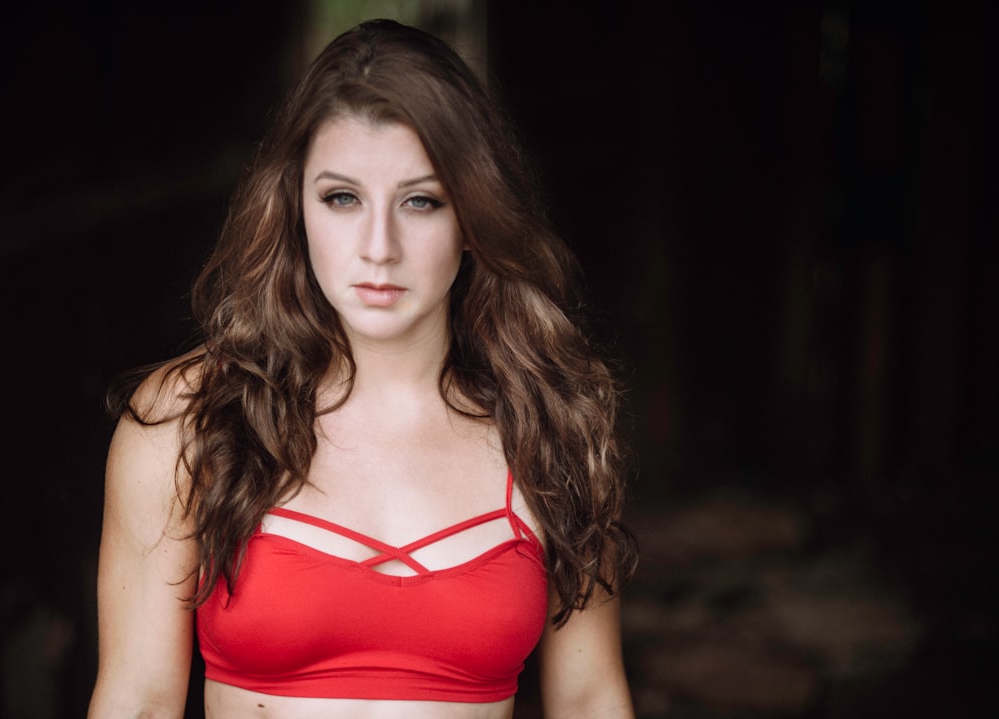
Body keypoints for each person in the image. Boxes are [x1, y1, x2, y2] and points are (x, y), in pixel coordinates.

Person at [87, 18, 637, 719]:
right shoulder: (188, 422)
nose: (379, 246)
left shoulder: (549, 425)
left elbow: (591, 699)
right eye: (342, 197)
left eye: (421, 201)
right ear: (294, 207)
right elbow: (136, 702)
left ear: (473, 218)